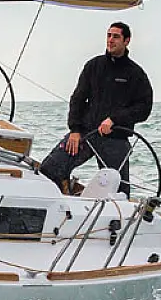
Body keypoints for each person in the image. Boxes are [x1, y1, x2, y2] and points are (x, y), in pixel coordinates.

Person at [39, 22, 153, 197]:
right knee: (49, 169)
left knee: (119, 194)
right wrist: (75, 130)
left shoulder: (136, 73)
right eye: (109, 35)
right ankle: (64, 198)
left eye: (116, 36)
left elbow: (144, 108)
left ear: (126, 41)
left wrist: (114, 119)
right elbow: (77, 99)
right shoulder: (94, 66)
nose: (110, 40)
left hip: (115, 138)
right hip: (86, 133)